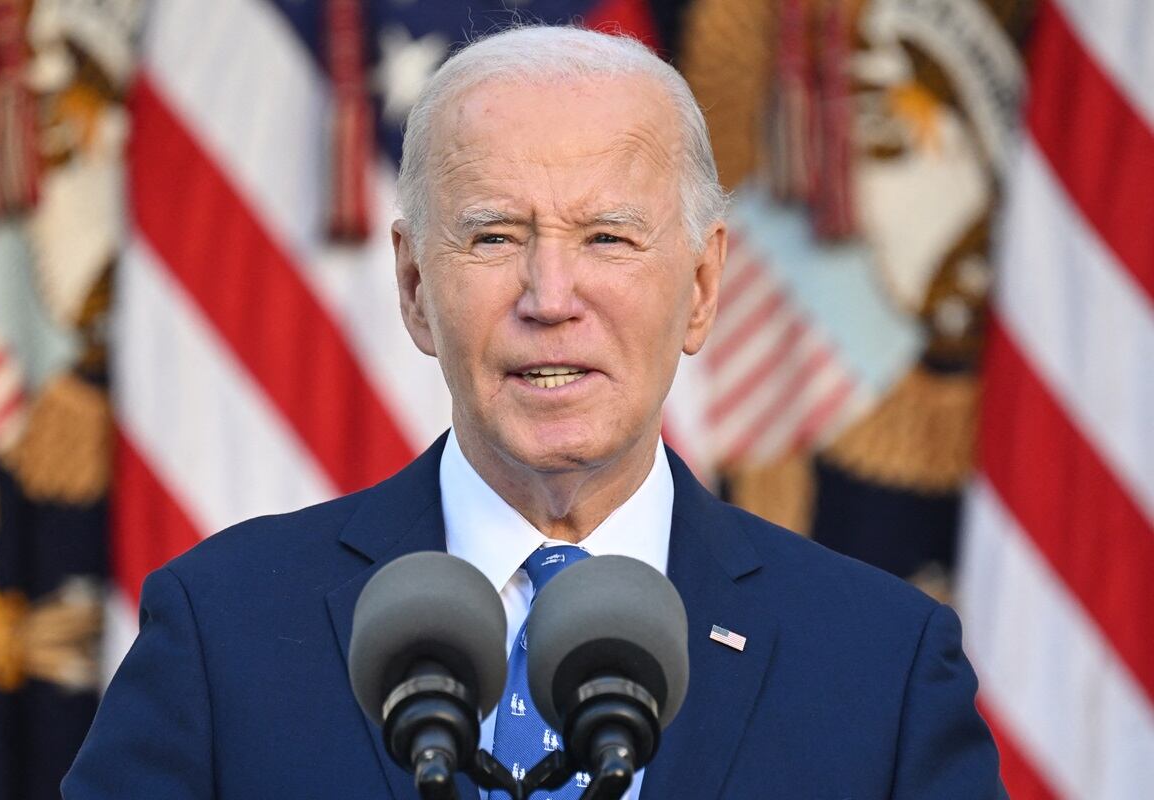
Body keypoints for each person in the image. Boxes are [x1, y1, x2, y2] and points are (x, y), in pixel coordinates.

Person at [63, 25, 1005, 799]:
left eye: (607, 236)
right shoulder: (221, 631)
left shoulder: (881, 667)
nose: (550, 296)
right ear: (415, 286)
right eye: (495, 235)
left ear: (705, 285)